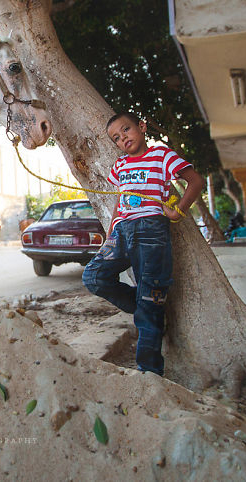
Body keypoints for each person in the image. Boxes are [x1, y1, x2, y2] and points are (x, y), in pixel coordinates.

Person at [82, 112, 204, 376]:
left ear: (142, 126)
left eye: (126, 129)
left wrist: (179, 210)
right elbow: (120, 199)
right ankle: (147, 309)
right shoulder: (120, 166)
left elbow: (195, 181)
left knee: (150, 301)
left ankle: (149, 373)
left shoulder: (162, 155)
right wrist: (112, 230)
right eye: (116, 137)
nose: (122, 137)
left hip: (152, 231)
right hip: (123, 233)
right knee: (93, 277)